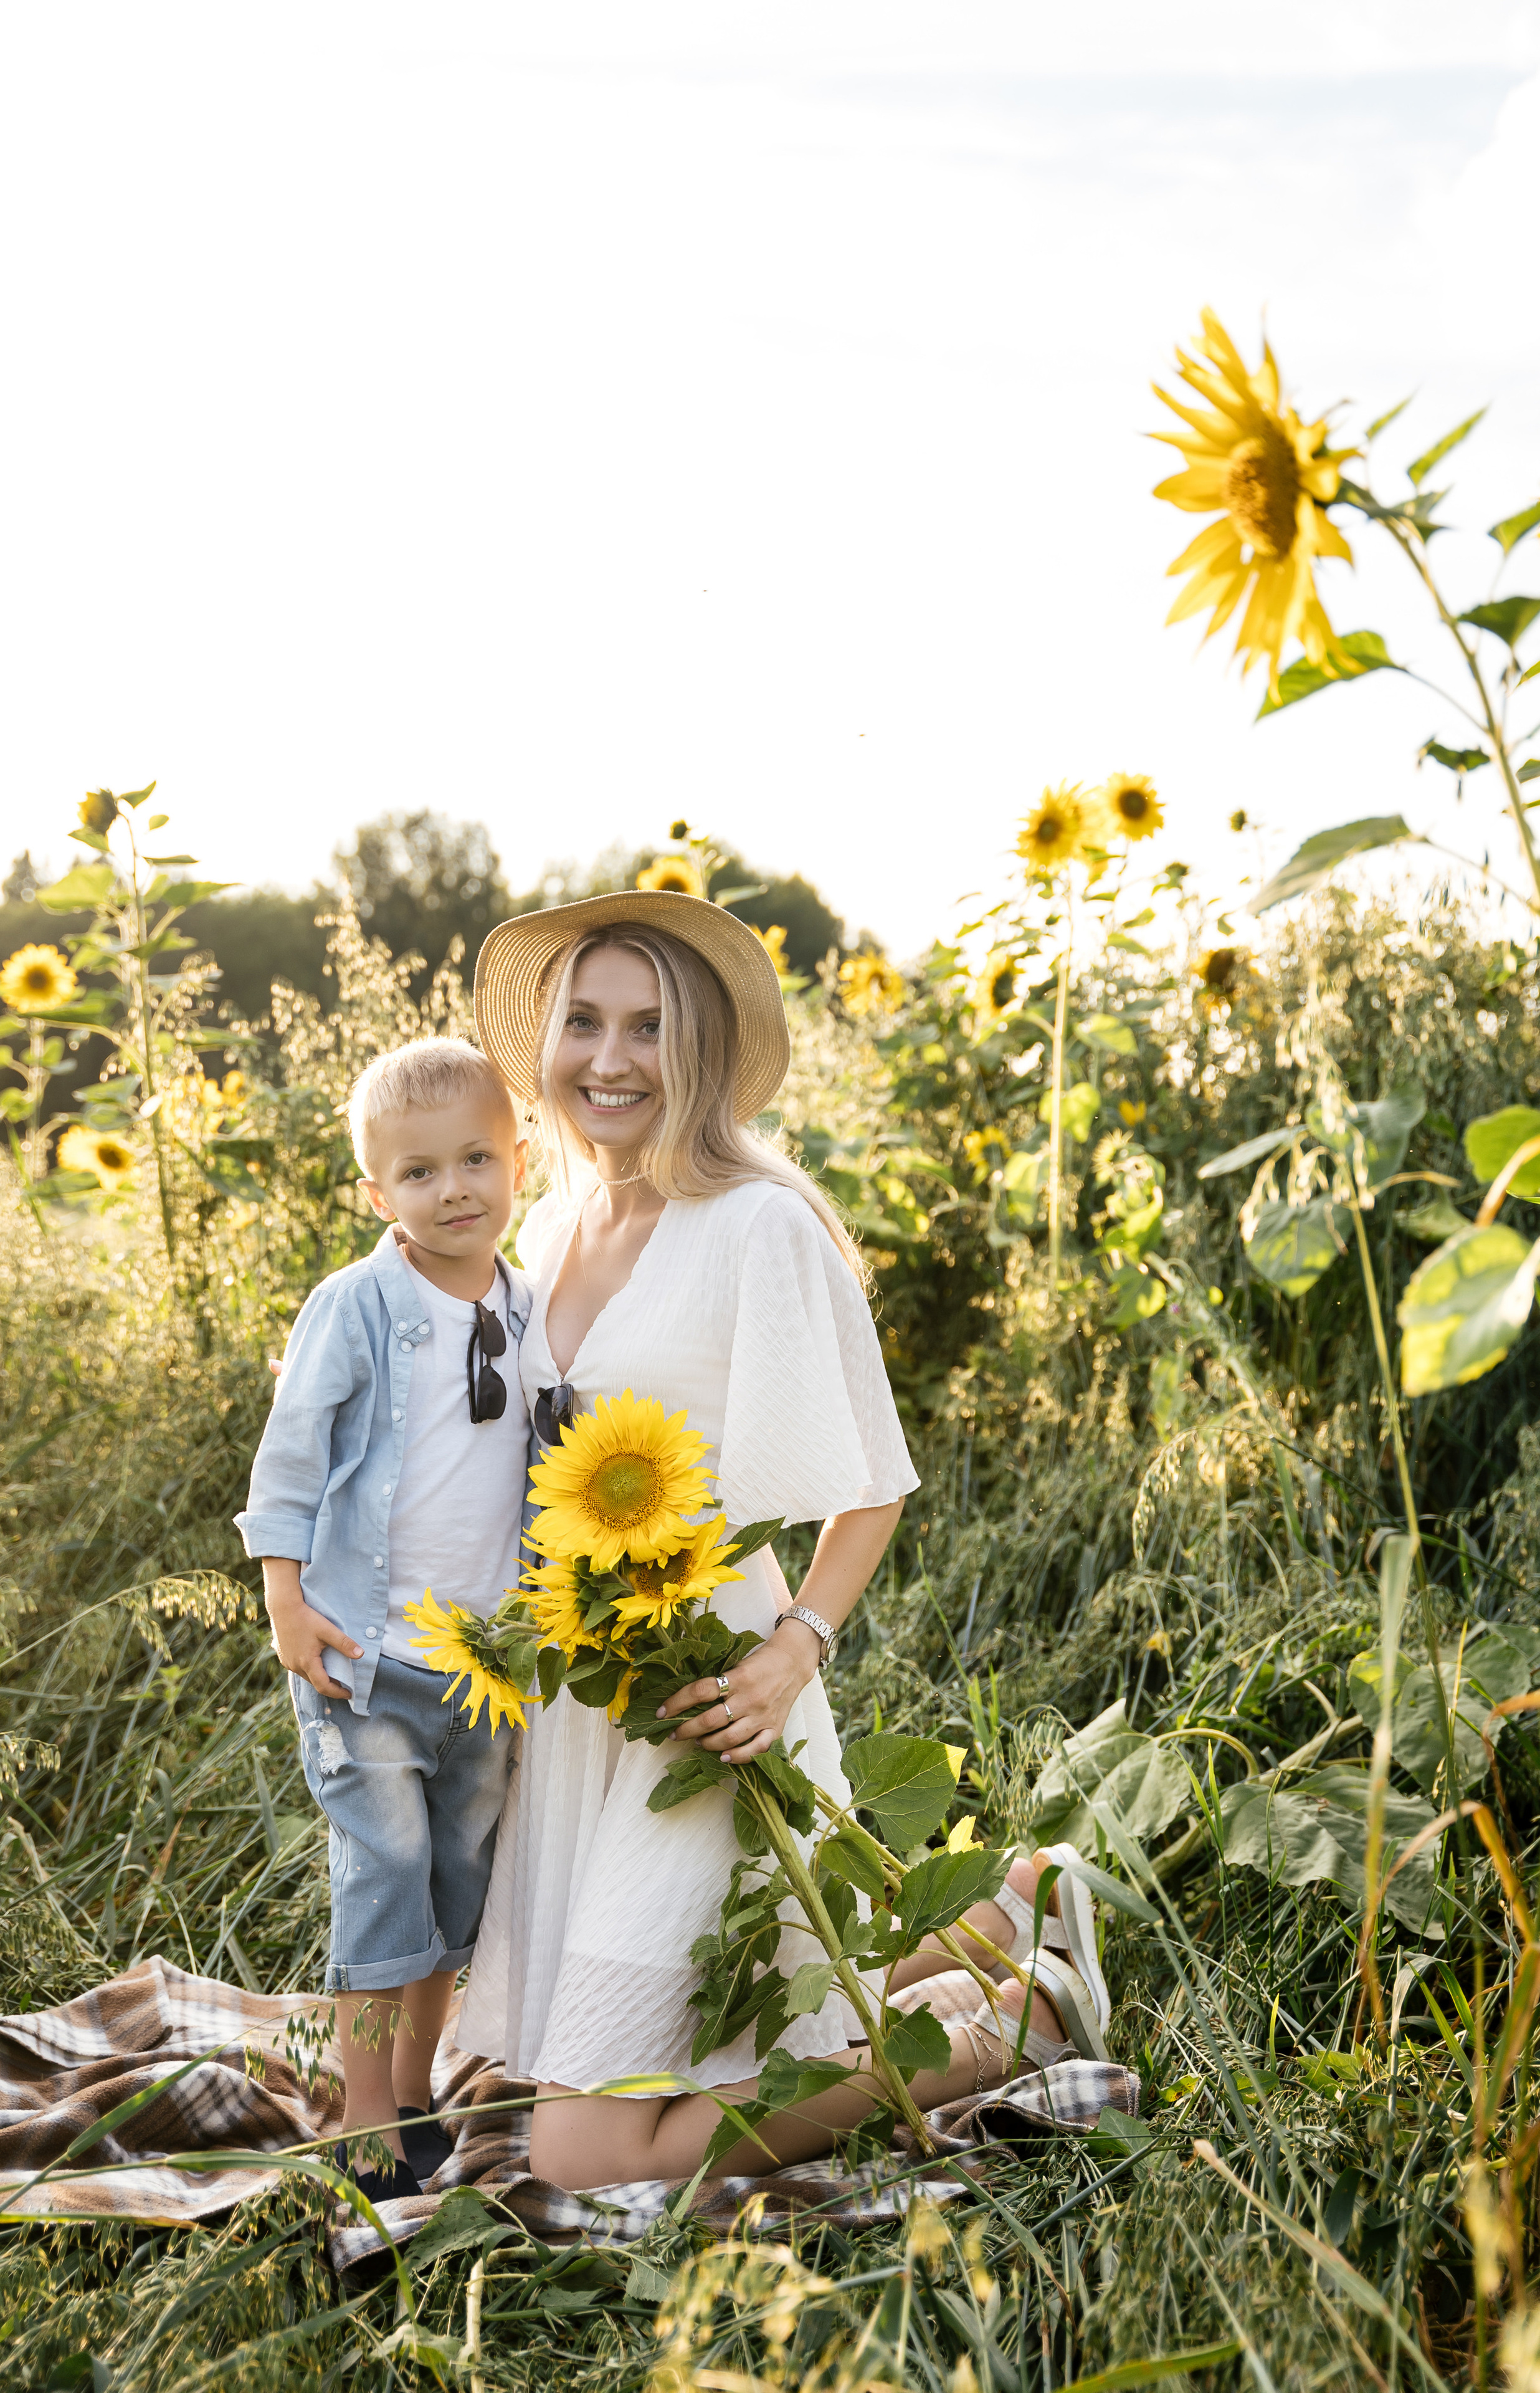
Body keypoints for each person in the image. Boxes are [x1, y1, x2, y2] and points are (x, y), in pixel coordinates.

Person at [459, 892, 1110, 2190]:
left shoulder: (756, 1223)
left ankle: (1006, 2025)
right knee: (669, 2025)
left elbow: (869, 1481)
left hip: (713, 1701)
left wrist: (791, 1652)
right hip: (588, 1703)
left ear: (697, 1047)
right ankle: (1000, 1912)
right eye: (580, 1022)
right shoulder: (549, 1225)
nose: (608, 1059)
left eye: (647, 1027)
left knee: (587, 2164)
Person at [234, 1036, 533, 2201]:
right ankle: (363, 2117)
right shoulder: (357, 1307)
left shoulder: (525, 1302)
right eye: (418, 1173)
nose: (453, 1189)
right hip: (364, 1652)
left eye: (475, 1160)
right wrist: (285, 1601)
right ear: (377, 1194)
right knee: (383, 1870)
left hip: (485, 1662)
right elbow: (292, 1457)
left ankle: (417, 2088)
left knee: (460, 1875)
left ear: (521, 1160)